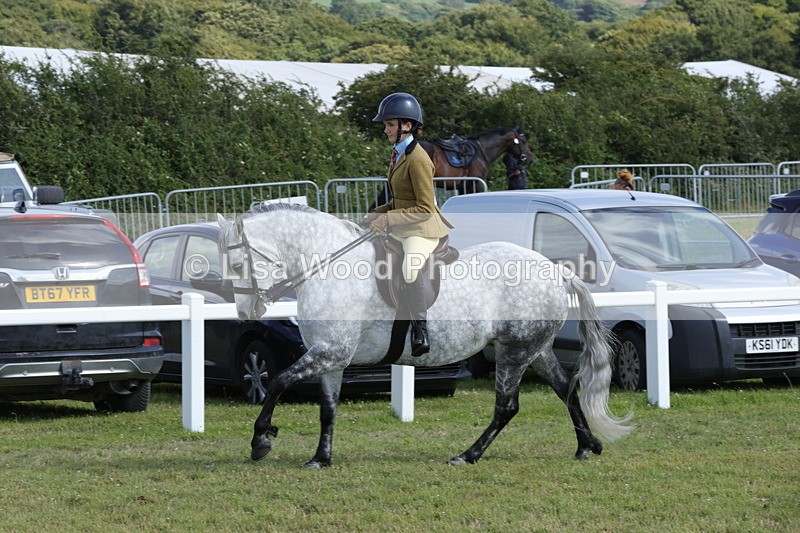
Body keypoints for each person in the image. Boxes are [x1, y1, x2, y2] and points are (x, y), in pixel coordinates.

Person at [364, 92, 453, 357]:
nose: (385, 129)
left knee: (410, 267)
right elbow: (402, 200)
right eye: (386, 125)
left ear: (407, 125)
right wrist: (375, 214)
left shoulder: (418, 159)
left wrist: (388, 218)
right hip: (403, 224)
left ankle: (420, 329)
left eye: (390, 124)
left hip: (423, 229)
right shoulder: (399, 153)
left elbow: (425, 208)